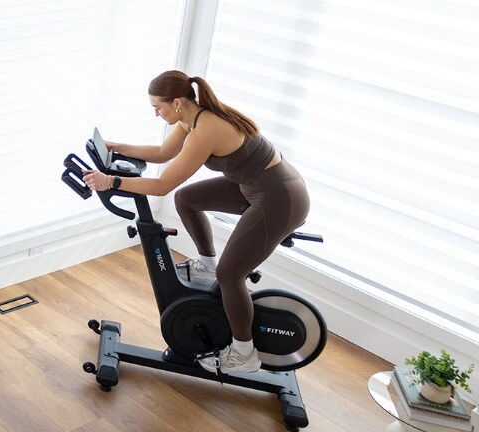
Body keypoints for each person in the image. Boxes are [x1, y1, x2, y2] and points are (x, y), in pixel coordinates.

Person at [82, 70, 311, 374]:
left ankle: (244, 354)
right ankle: (206, 266)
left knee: (231, 275)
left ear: (177, 102)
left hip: (280, 197)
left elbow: (163, 185)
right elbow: (163, 154)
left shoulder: (208, 128)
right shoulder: (191, 119)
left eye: (158, 108)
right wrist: (114, 146)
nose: (155, 114)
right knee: (187, 199)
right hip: (252, 185)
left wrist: (111, 181)